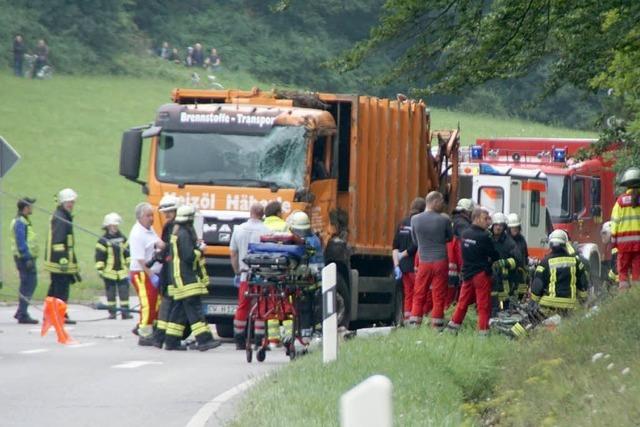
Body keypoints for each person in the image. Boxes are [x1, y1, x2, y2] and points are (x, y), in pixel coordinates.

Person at [164, 205, 220, 351]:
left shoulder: (178, 232)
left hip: (178, 278)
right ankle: (204, 340)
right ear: (189, 219)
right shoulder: (184, 233)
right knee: (195, 310)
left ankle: (171, 341)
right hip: (187, 278)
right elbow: (189, 256)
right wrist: (200, 250)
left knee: (179, 312)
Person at [446, 208, 501, 335]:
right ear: (476, 218)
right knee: (483, 305)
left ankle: (452, 329)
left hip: (467, 274)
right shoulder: (484, 236)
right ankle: (483, 332)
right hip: (481, 274)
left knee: (462, 303)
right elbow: (494, 255)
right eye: (485, 219)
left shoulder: (465, 234)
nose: (488, 222)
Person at [409, 191, 453, 329]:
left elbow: (415, 241)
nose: (443, 205)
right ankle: (437, 326)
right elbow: (450, 238)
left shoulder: (415, 219)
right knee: (439, 294)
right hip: (440, 261)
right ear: (434, 202)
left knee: (419, 292)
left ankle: (415, 324)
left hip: (424, 261)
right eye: (441, 202)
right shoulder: (444, 219)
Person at [230, 203, 270, 349]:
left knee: (243, 306)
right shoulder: (267, 231)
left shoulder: (239, 229)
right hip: (261, 276)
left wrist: (236, 271)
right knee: (261, 305)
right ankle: (258, 340)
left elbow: (233, 253)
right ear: (262, 214)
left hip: (244, 275)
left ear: (250, 213)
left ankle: (239, 340)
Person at [128, 202, 164, 346]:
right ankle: (145, 334)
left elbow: (156, 243)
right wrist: (151, 275)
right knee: (147, 303)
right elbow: (140, 259)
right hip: (142, 273)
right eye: (148, 216)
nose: (151, 218)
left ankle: (145, 327)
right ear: (140, 217)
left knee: (155, 302)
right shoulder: (137, 233)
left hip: (152, 272)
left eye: (152, 215)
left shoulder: (149, 230)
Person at [287, 210, 325, 344]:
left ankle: (306, 335)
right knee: (315, 308)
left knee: (304, 308)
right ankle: (315, 333)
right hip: (317, 281)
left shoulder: (303, 242)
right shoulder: (315, 239)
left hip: (307, 281)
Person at [44, 188, 80, 324]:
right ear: (63, 202)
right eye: (69, 202)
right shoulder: (61, 217)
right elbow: (58, 241)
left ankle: (50, 314)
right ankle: (59, 315)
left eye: (72, 202)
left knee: (54, 288)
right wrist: (64, 262)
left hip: (60, 261)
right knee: (60, 290)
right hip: (59, 262)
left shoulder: (63, 215)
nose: (71, 205)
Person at [530, 230, 589, 312]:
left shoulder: (545, 262)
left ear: (551, 244)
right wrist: (583, 300)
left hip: (549, 306)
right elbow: (583, 282)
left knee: (528, 321)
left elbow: (537, 285)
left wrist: (533, 302)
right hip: (569, 307)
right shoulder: (576, 261)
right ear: (565, 244)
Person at [152, 195, 181, 348]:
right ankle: (164, 338)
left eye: (170, 212)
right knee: (169, 304)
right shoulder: (172, 226)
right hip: (171, 272)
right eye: (166, 212)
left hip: (170, 271)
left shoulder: (172, 226)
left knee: (168, 304)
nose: (167, 215)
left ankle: (160, 338)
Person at [392, 197, 426, 322]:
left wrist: (396, 265)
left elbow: (395, 246)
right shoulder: (419, 223)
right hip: (415, 265)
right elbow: (417, 244)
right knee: (418, 293)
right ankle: (415, 319)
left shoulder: (401, 223)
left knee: (408, 293)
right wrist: (405, 254)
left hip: (403, 267)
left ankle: (407, 319)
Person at [95, 213, 132, 320]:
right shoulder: (103, 240)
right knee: (110, 294)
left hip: (122, 271)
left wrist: (130, 264)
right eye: (113, 226)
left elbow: (127, 253)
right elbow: (99, 256)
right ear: (107, 226)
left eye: (116, 225)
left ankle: (125, 312)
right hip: (109, 272)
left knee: (124, 293)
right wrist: (100, 269)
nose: (115, 227)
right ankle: (112, 313)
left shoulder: (122, 238)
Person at [610, 166, 640, 290]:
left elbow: (615, 222)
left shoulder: (620, 201)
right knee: (637, 274)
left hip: (623, 244)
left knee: (622, 272)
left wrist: (613, 241)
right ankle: (636, 299)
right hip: (639, 244)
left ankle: (623, 297)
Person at [11, 197, 38, 324]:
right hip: (24, 259)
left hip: (26, 258)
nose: (32, 208)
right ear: (26, 208)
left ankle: (21, 311)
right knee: (28, 285)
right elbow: (21, 242)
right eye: (30, 206)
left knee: (27, 284)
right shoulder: (20, 222)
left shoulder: (24, 221)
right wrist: (27, 257)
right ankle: (22, 313)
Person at [489, 212, 521, 312]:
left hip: (505, 281)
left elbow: (517, 260)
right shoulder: (488, 239)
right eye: (496, 225)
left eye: (501, 225)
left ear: (504, 227)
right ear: (492, 225)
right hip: (489, 279)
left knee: (506, 308)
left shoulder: (509, 242)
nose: (498, 227)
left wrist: (503, 263)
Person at [445, 198, 474, 308]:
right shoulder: (463, 224)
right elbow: (467, 241)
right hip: (456, 263)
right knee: (453, 292)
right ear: (467, 212)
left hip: (449, 262)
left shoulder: (453, 220)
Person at [507, 213, 529, 300]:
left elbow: (525, 255)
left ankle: (520, 301)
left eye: (516, 227)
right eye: (512, 227)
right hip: (510, 272)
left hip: (521, 272)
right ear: (508, 228)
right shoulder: (505, 240)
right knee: (509, 293)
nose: (515, 229)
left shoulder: (522, 239)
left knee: (521, 292)